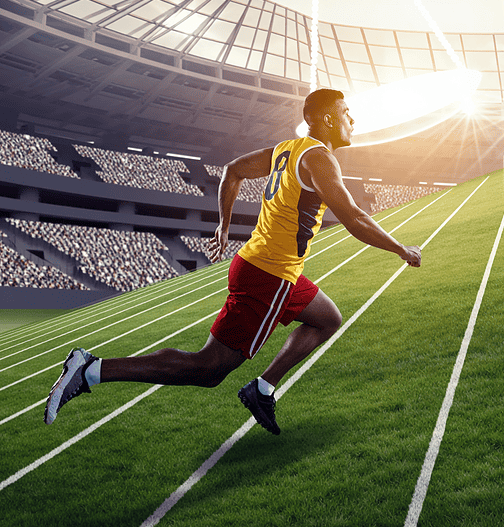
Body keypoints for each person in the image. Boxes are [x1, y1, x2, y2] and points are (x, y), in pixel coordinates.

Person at [44, 88, 422, 435]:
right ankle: (92, 368)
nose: (352, 120)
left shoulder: (287, 149)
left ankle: (262, 388)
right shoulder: (320, 159)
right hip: (270, 277)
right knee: (208, 369)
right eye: (346, 113)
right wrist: (400, 248)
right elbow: (353, 217)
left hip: (269, 268)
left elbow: (233, 170)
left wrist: (224, 226)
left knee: (327, 319)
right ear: (326, 119)